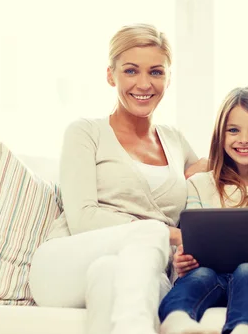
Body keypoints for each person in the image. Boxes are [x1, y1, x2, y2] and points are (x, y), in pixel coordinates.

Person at [28, 23, 207, 334]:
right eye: (130, 71)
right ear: (111, 75)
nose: (144, 83)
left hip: (145, 273)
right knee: (148, 234)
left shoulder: (175, 141)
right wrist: (170, 234)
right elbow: (83, 218)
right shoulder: (86, 133)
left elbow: (218, 176)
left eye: (156, 72)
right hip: (64, 264)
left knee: (111, 274)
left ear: (168, 77)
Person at [158, 87, 248, 334]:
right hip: (207, 275)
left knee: (247, 270)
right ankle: (177, 321)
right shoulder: (199, 184)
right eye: (233, 130)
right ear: (220, 135)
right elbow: (191, 238)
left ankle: (244, 329)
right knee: (200, 274)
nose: (244, 139)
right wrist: (182, 260)